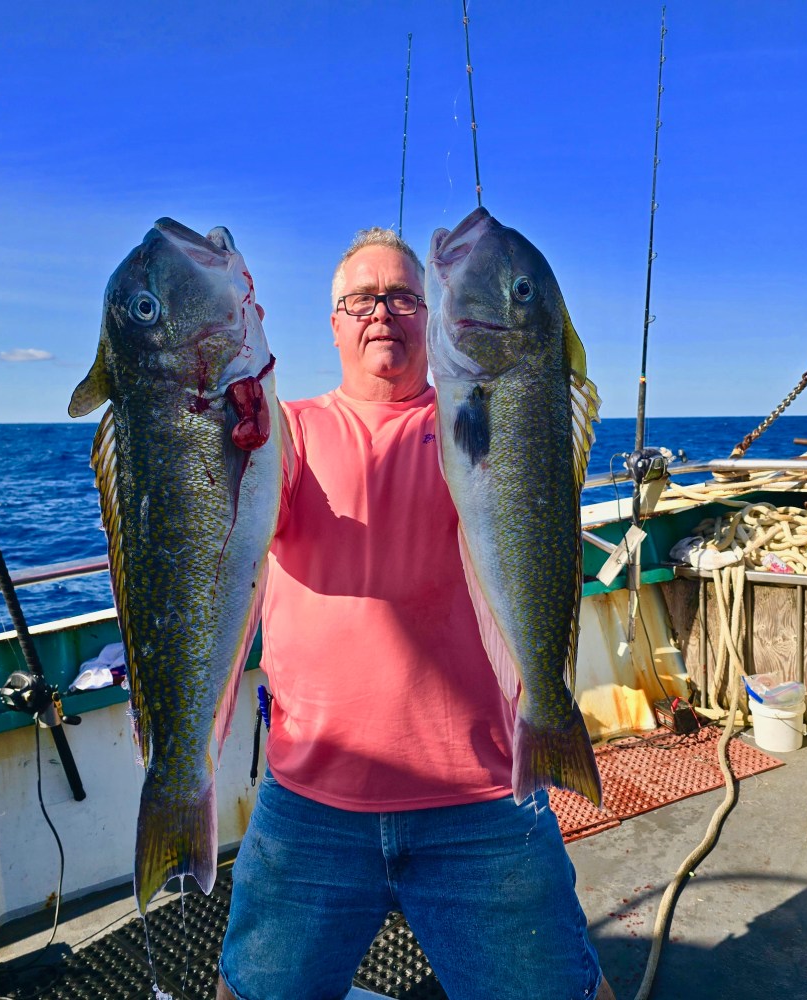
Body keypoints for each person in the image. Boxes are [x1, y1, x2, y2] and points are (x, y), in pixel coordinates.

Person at [216, 227, 616, 1000]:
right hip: (309, 805)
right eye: (360, 299)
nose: (381, 313)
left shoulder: (478, 419)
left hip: (484, 797)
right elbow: (227, 512)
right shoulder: (285, 432)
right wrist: (230, 422)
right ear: (332, 322)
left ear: (433, 314)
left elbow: (532, 498)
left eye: (401, 297)